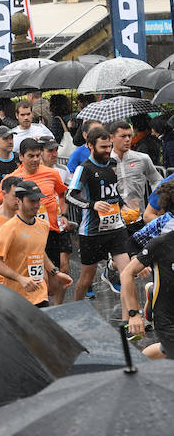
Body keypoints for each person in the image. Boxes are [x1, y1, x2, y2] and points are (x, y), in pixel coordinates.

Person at [66, 126, 134, 301]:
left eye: (109, 146)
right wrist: (92, 205)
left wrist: (124, 206)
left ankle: (130, 318)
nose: (108, 151)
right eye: (103, 147)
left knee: (127, 273)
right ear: (90, 145)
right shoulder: (84, 168)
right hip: (92, 231)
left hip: (116, 228)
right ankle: (77, 310)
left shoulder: (112, 164)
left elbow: (113, 193)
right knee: (86, 279)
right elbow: (70, 196)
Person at [0, 180, 72, 306]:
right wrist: (20, 279)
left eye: (38, 200)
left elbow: (39, 251)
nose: (36, 205)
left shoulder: (43, 225)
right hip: (18, 298)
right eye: (31, 201)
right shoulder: (8, 229)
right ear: (19, 201)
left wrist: (56, 272)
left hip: (40, 293)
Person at [121, 180, 174, 359]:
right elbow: (127, 272)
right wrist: (134, 315)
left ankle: (141, 368)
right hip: (167, 314)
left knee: (166, 350)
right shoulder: (161, 239)